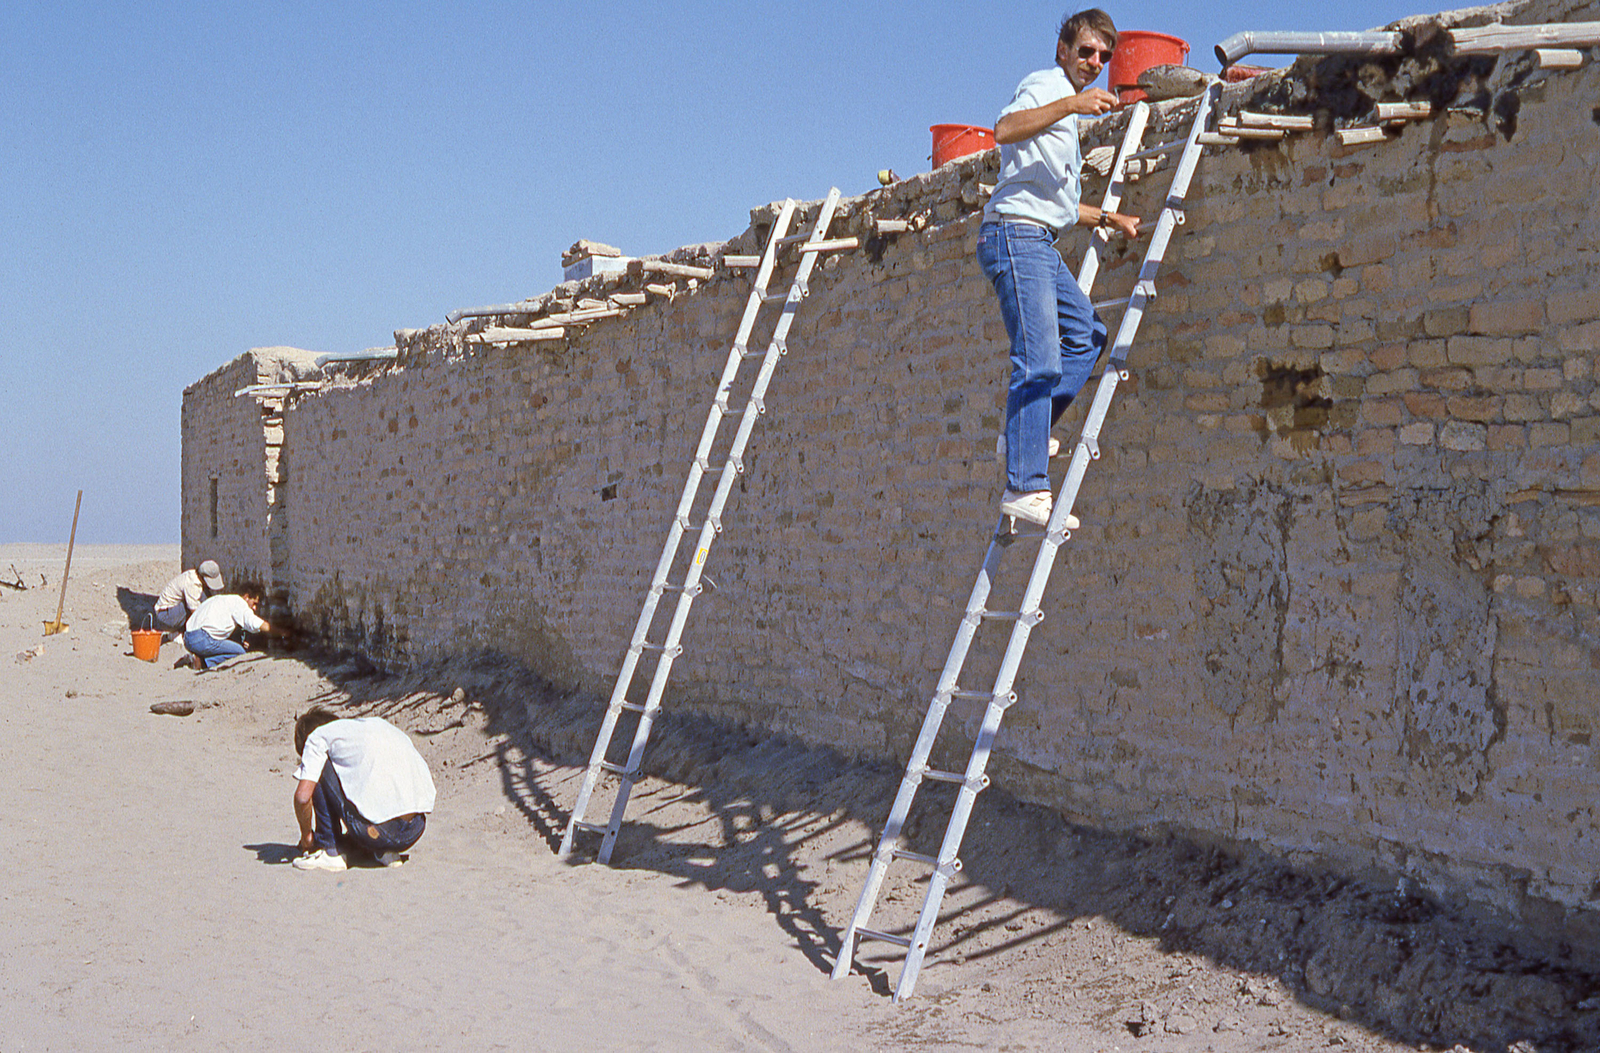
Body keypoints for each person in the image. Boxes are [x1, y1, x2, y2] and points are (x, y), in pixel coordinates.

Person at [978, 8, 1141, 526]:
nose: (1094, 63)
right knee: (1040, 358)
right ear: (1064, 51)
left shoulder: (1065, 115)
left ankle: (1026, 434)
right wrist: (1070, 101)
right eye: (1086, 51)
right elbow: (1003, 130)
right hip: (1013, 235)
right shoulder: (1045, 85)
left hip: (1039, 239)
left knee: (1087, 335)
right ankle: (1024, 487)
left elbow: (1057, 204)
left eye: (1103, 57)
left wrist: (1108, 217)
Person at [290, 707, 437, 872]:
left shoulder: (317, 737)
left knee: (319, 767)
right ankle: (383, 851)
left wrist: (307, 837)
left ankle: (330, 851)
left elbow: (302, 798)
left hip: (377, 832)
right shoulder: (373, 726)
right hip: (415, 828)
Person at [182, 584, 280, 670]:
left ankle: (197, 657)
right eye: (254, 603)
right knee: (239, 652)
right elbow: (253, 623)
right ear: (246, 597)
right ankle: (202, 663)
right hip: (201, 639)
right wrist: (280, 631)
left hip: (188, 638)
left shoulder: (222, 599)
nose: (254, 608)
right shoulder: (239, 603)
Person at [151, 559, 224, 631]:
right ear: (202, 577)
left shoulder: (196, 577)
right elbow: (196, 612)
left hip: (171, 612)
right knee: (196, 607)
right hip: (165, 616)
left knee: (204, 598)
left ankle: (180, 630)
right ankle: (178, 631)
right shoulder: (192, 584)